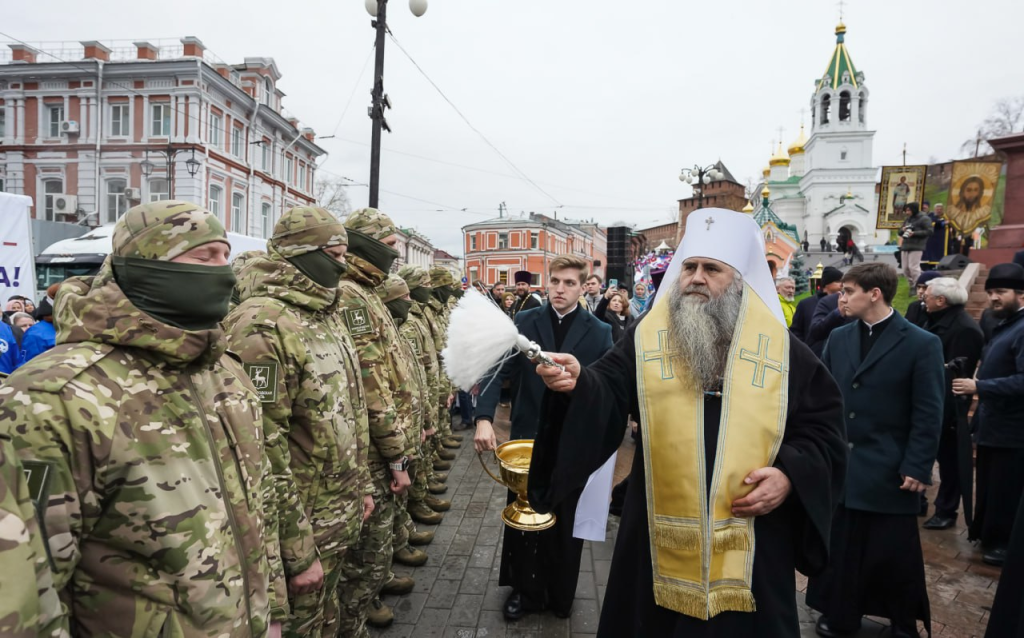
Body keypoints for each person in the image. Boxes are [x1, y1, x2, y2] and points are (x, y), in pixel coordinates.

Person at [531, 209, 847, 637]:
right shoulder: (647, 336)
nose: (696, 278)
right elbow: (607, 386)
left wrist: (790, 475)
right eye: (690, 267)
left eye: (711, 269)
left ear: (738, 279)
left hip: (750, 539)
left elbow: (823, 431)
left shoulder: (780, 349)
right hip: (655, 532)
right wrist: (578, 381)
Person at [0, 200, 282, 637]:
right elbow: (30, 590)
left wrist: (270, 612)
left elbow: (256, 510)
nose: (224, 272)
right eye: (204, 257)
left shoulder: (223, 371)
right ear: (146, 266)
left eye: (226, 257)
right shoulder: (51, 396)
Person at [225, 206, 371, 638]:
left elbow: (350, 412)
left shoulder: (325, 312)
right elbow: (262, 448)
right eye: (337, 253)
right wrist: (294, 546)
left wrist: (361, 484)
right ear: (304, 254)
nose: (345, 264)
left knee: (330, 617)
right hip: (302, 522)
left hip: (336, 511)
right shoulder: (262, 325)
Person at [807, 263, 944, 638]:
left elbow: (929, 410)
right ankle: (841, 615)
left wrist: (917, 464)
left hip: (890, 467)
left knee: (893, 552)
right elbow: (827, 399)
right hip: (845, 465)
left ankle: (902, 621)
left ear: (874, 294)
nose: (841, 298)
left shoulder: (921, 342)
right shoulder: (839, 338)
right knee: (844, 546)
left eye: (848, 291)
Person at [474, 254, 613, 622]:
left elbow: (607, 390)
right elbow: (494, 368)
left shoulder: (599, 331)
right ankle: (524, 590)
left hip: (573, 442)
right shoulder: (524, 321)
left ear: (584, 287)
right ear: (547, 283)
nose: (560, 290)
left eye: (569, 283)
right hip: (527, 441)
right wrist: (484, 419)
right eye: (555, 282)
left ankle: (561, 592)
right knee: (525, 518)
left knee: (566, 520)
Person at [334, 208, 416, 638]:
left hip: (387, 439)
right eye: (388, 245)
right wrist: (395, 452)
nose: (395, 253)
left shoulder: (367, 291)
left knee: (379, 536)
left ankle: (368, 599)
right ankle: (354, 618)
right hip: (371, 448)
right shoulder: (350, 295)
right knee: (365, 546)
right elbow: (371, 381)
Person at [954, 263, 1024, 567]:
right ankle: (988, 534)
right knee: (989, 484)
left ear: (1021, 294)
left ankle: (1003, 542)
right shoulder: (1004, 324)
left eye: (1001, 292)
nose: (994, 298)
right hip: (993, 425)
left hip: (1013, 429)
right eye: (992, 291)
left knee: (1006, 488)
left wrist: (979, 385)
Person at [919, 277, 984, 531]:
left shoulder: (965, 329)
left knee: (950, 462)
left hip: (947, 407)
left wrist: (942, 413)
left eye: (928, 293)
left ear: (941, 300)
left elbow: (956, 376)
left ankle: (947, 510)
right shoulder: (935, 319)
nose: (923, 295)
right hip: (931, 400)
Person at [791, 266, 843, 343]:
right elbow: (796, 331)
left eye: (842, 281)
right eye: (838, 281)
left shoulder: (844, 303)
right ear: (826, 284)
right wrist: (804, 349)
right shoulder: (805, 304)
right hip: (812, 352)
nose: (842, 284)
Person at [900, 202, 934, 288]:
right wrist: (902, 230)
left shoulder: (924, 219)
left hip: (917, 246)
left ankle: (918, 286)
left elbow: (929, 231)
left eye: (908, 210)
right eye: (906, 210)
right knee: (905, 269)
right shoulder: (908, 219)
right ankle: (912, 285)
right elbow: (899, 232)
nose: (907, 212)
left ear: (913, 209)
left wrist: (914, 233)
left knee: (913, 268)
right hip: (905, 246)